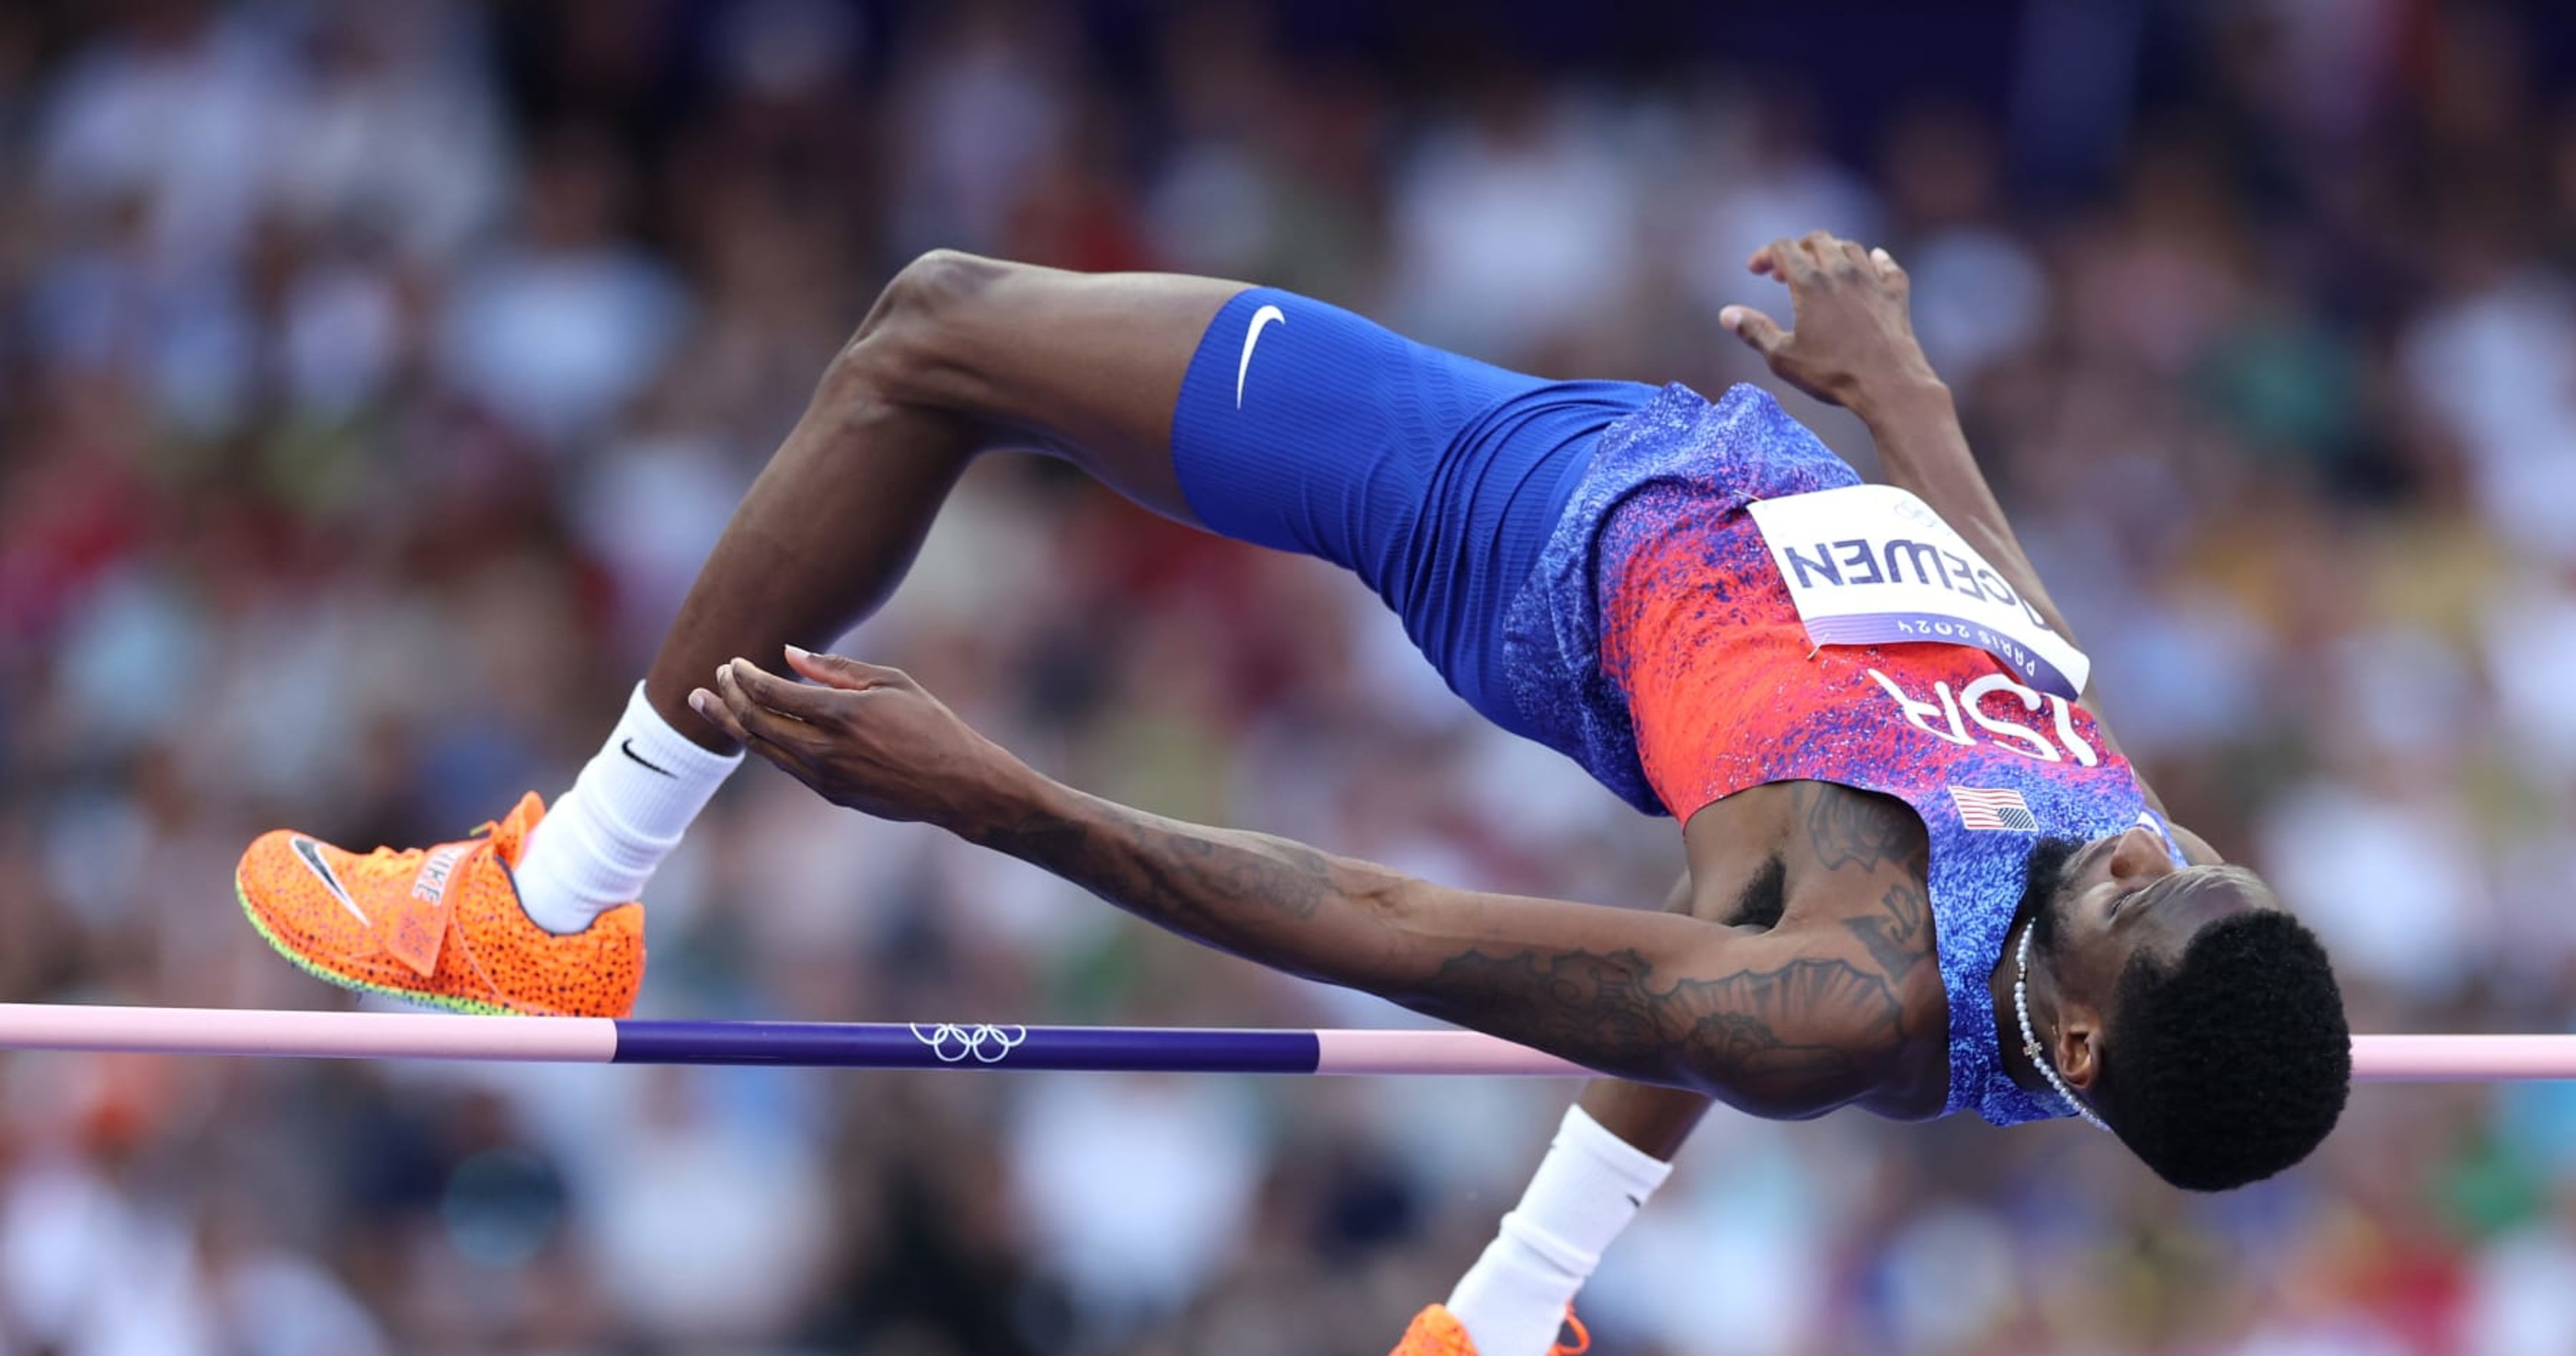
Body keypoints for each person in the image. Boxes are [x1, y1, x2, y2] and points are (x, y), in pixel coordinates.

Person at [234, 232, 2352, 1356]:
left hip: (1508, 521)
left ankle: (567, 883)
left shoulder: (1854, 995)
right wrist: (1909, 397)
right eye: (2201, 852)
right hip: (1669, 452)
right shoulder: (2119, 888)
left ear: (2074, 1033)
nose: (2157, 841)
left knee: (934, 334)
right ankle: (1505, 1324)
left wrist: (1005, 800)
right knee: (942, 332)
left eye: (2150, 892)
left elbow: (1394, 930)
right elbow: (2025, 657)